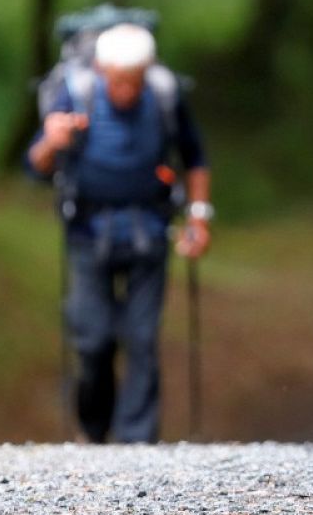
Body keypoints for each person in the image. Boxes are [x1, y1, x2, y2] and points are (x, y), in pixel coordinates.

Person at [27, 22, 211, 444]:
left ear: (147, 72)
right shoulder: (76, 92)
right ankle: (93, 430)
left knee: (143, 339)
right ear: (100, 69)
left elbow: (195, 157)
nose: (126, 91)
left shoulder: (165, 95)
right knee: (92, 340)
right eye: (118, 81)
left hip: (150, 231)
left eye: (135, 81)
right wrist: (51, 142)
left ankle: (138, 442)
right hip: (88, 234)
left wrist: (198, 217)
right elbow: (34, 165)